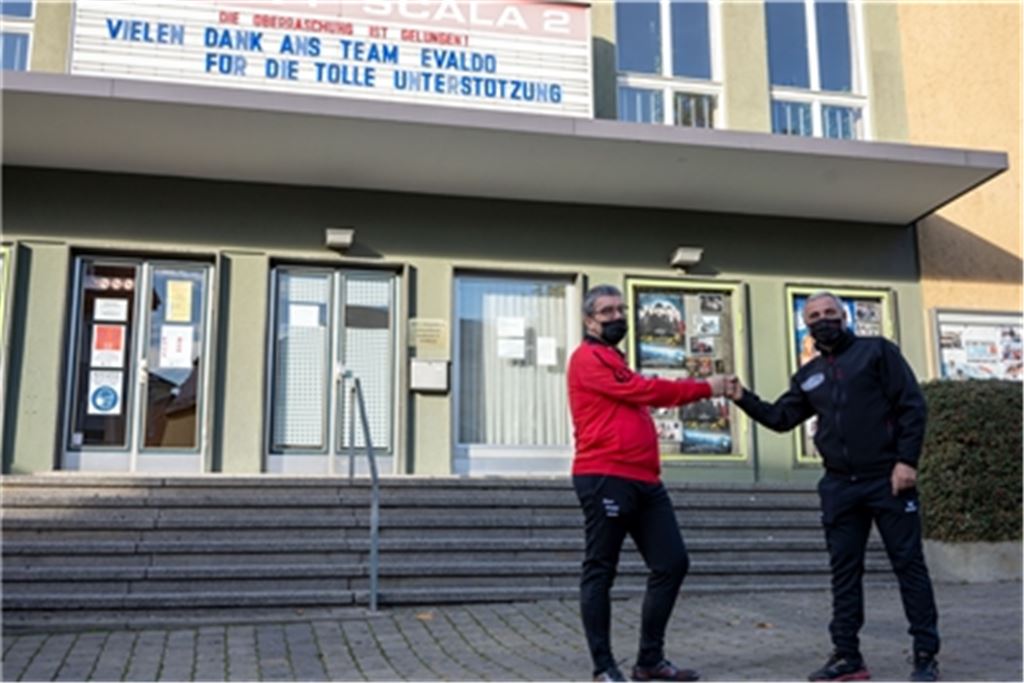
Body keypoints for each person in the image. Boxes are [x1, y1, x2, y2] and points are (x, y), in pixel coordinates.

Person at [725, 291, 940, 682]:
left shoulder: (877, 352)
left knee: (908, 566)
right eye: (815, 316)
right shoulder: (809, 374)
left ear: (844, 316)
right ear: (806, 325)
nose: (824, 319)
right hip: (840, 487)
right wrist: (742, 397)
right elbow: (780, 418)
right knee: (844, 572)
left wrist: (906, 461)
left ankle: (925, 654)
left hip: (888, 480)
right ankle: (847, 657)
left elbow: (912, 405)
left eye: (831, 313)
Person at [569, 284, 729, 683]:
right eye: (607, 311)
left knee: (672, 563)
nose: (617, 316)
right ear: (589, 320)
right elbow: (644, 390)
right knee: (601, 570)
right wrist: (706, 387)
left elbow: (639, 390)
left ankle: (649, 661)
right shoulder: (587, 358)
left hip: (644, 479)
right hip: (605, 475)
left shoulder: (614, 359)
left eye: (621, 309)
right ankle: (604, 667)